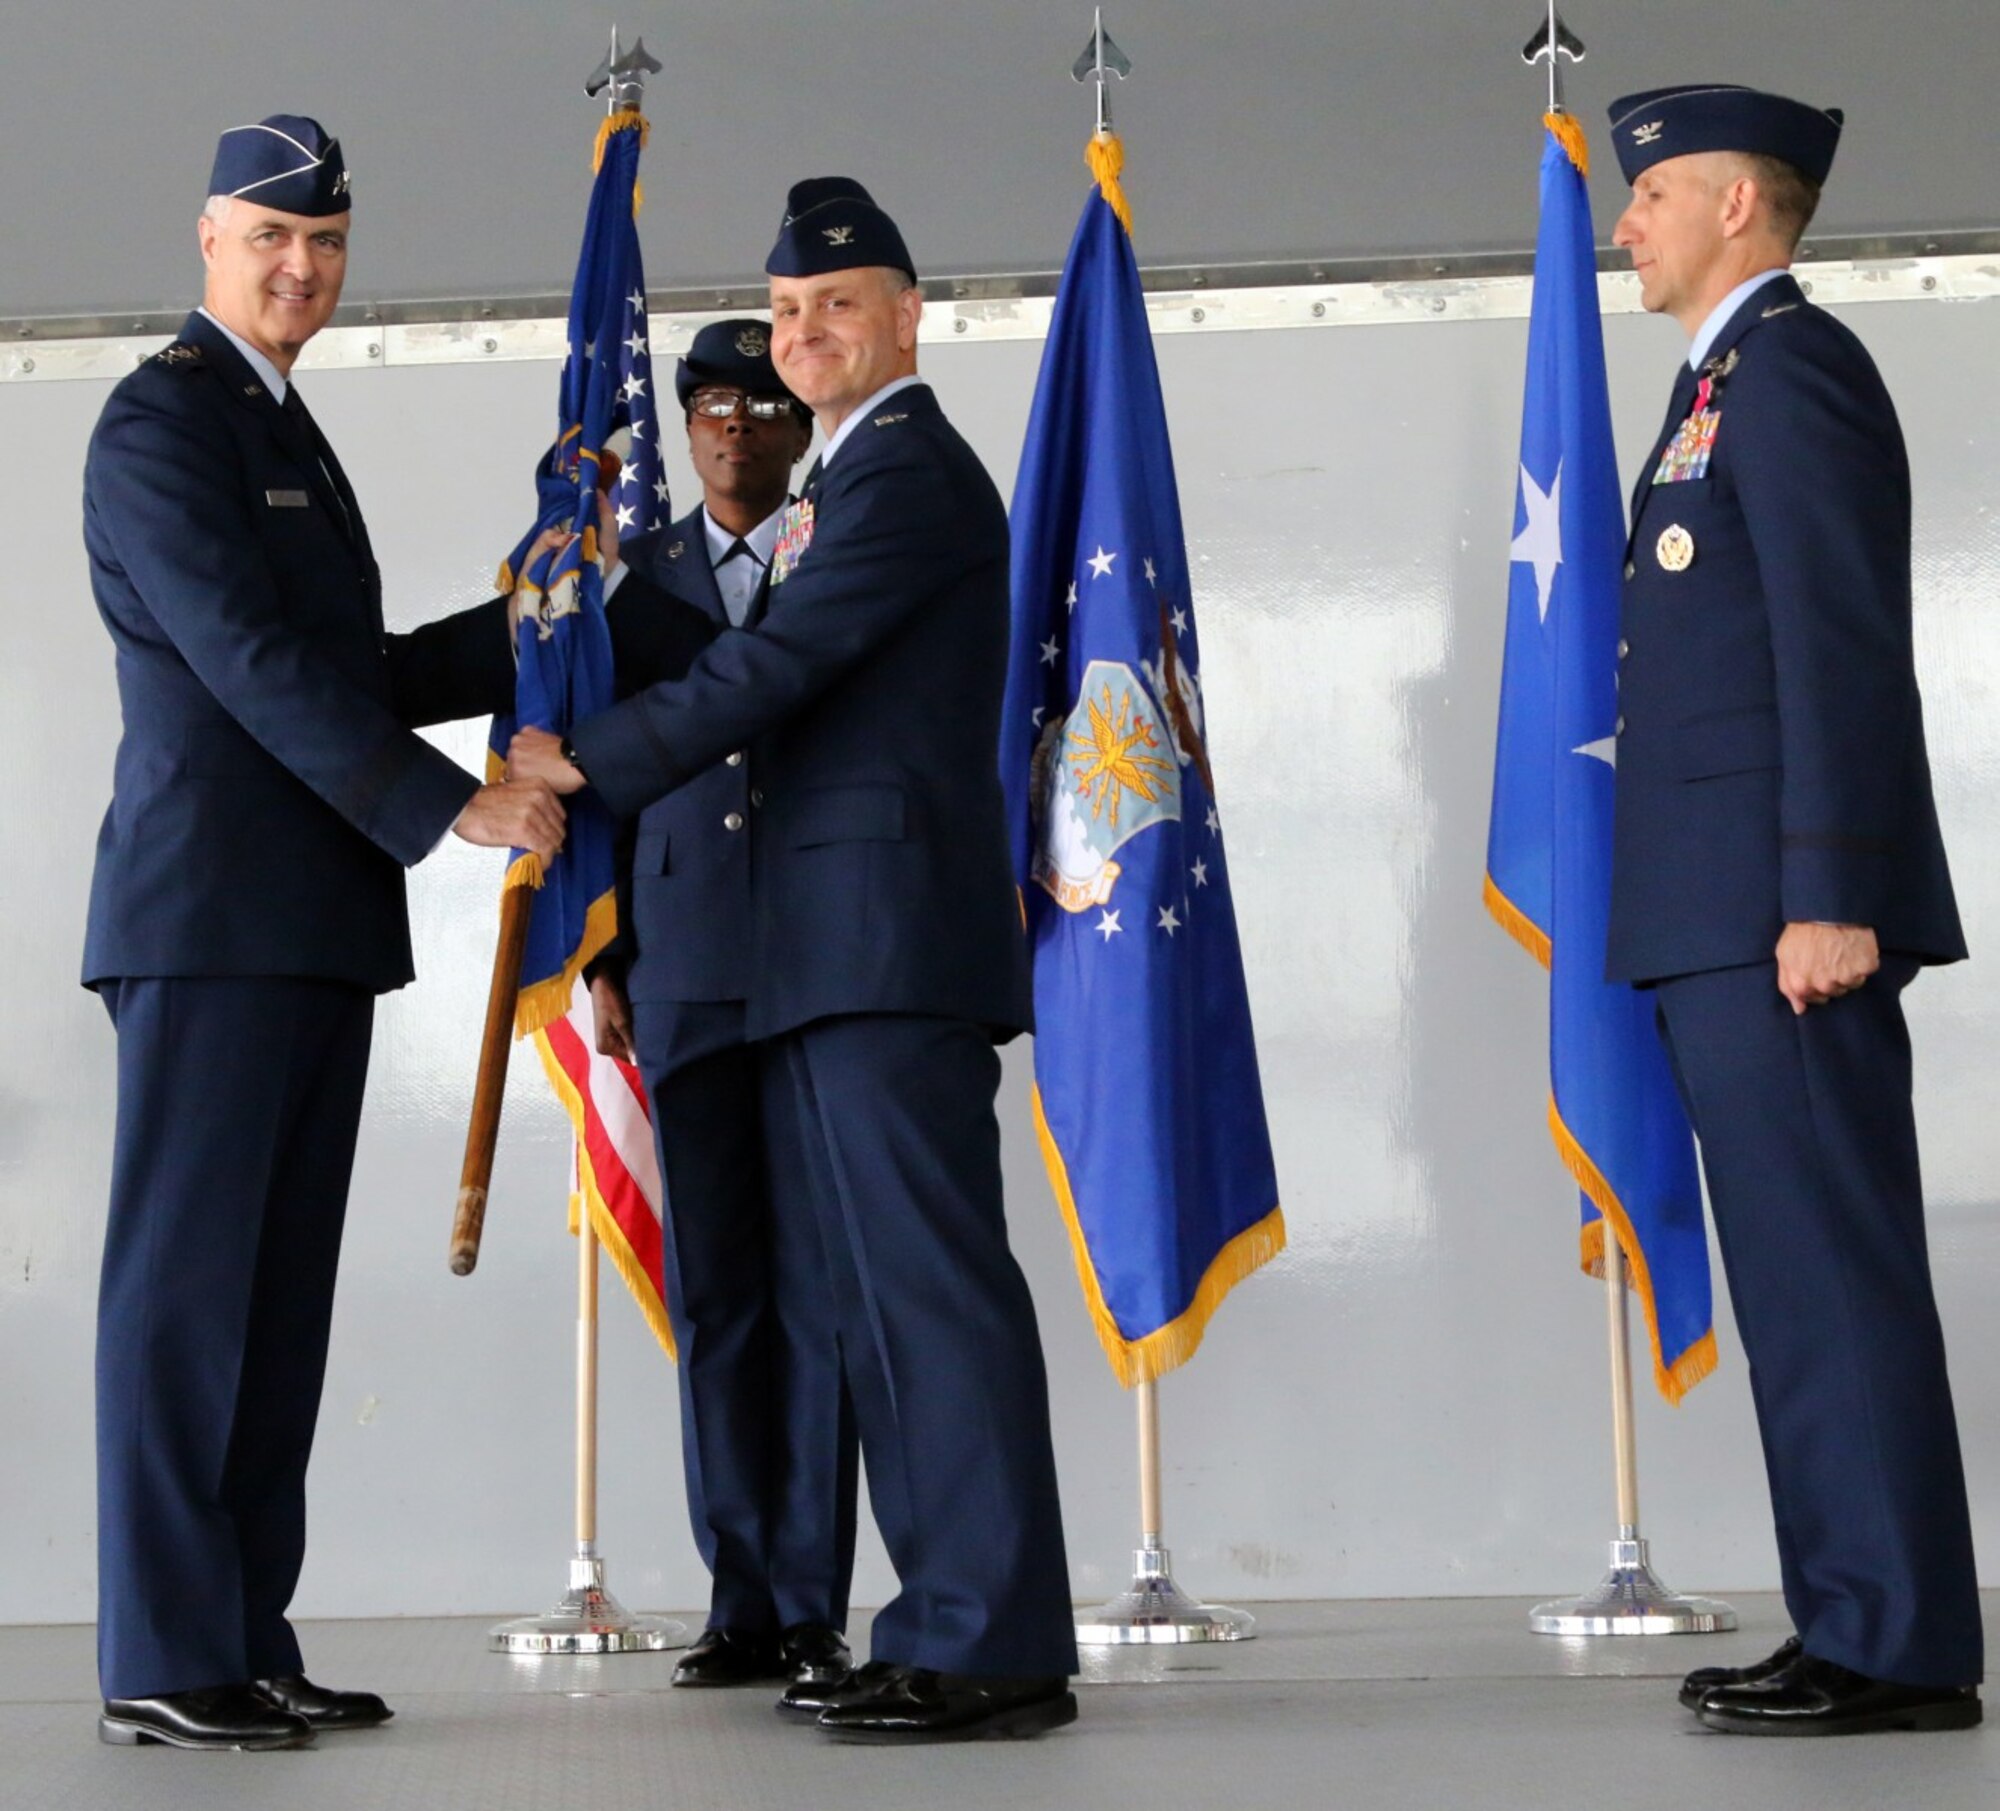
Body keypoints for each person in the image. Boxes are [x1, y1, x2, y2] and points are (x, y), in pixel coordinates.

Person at [511, 178, 1079, 1743]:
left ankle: (991, 1634)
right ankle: (949, 1621)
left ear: (907, 315)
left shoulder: (908, 476)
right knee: (883, 1307)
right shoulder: (847, 482)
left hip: (884, 949)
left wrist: (580, 769)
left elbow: (771, 666)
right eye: (784, 311)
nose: (806, 332)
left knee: (928, 1295)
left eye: (837, 304)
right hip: (828, 954)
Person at [83, 114, 566, 1751]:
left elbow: (342, 662)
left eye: (331, 243)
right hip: (212, 918)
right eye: (274, 238)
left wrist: (533, 628)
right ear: (209, 236)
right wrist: (448, 807)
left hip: (303, 924)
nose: (304, 269)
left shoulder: (284, 425)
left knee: (275, 1308)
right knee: (182, 1297)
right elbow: (243, 660)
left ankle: (241, 1632)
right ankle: (161, 1646)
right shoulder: (162, 425)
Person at [1604, 85, 1982, 1735]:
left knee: (1833, 1279)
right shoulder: (1714, 388)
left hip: (1783, 921)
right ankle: (1854, 1613)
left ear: (1739, 208)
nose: (1629, 222)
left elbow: (1838, 648)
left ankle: (1896, 1642)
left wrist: (1829, 893)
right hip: (1717, 917)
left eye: (1655, 194)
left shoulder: (1794, 371)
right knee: (1797, 1287)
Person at [584, 321, 860, 1702]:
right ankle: (740, 1596)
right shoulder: (638, 580)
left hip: (818, 959)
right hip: (683, 963)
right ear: (684, 428)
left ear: (799, 422)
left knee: (815, 1294)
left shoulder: (848, 543)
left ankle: (813, 1604)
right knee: (722, 1302)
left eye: (763, 400)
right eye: (711, 405)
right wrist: (605, 947)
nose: (738, 424)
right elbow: (609, 778)